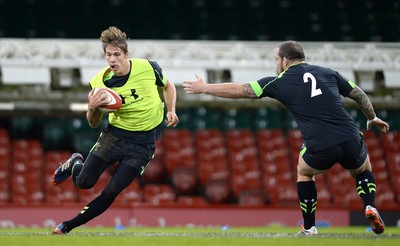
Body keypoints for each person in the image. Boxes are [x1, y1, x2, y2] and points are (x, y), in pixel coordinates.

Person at [183, 41, 389, 236]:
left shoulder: (278, 82)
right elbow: (358, 93)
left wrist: (205, 88)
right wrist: (372, 117)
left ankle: (309, 228)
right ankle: (370, 205)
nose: (276, 64)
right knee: (363, 169)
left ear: (285, 60)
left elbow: (240, 90)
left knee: (304, 171)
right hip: (350, 136)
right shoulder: (328, 72)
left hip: (321, 144)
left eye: (276, 59)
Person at [51, 26, 179, 234]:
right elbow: (93, 123)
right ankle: (76, 162)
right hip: (114, 137)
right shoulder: (100, 83)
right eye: (108, 55)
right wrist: (92, 107)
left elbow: (168, 86)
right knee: (84, 183)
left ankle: (67, 226)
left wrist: (171, 110)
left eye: (117, 55)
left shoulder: (148, 68)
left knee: (111, 191)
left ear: (127, 54)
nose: (112, 60)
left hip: (142, 146)